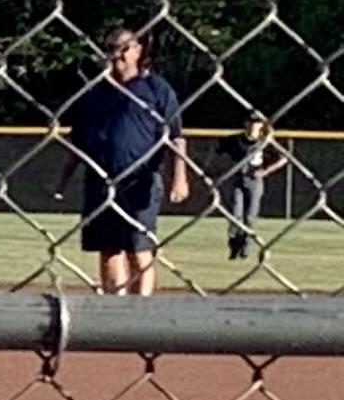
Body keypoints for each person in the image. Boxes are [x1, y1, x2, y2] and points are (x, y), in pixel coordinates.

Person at [61, 25, 193, 297]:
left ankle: (141, 311)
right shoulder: (94, 94)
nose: (115, 55)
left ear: (137, 51)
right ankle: (115, 310)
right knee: (109, 248)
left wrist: (179, 177)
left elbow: (176, 138)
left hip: (140, 181)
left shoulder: (155, 88)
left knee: (139, 248)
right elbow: (78, 142)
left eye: (122, 48)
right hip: (100, 182)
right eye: (109, 49)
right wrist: (62, 180)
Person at [219, 113, 289, 266]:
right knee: (236, 214)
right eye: (251, 122)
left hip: (254, 181)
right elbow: (218, 153)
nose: (253, 125)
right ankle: (234, 245)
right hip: (237, 180)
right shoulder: (235, 140)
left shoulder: (265, 142)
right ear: (245, 123)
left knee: (250, 216)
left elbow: (284, 158)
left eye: (257, 122)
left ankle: (245, 247)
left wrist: (265, 170)